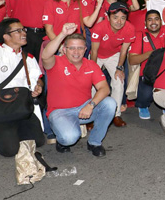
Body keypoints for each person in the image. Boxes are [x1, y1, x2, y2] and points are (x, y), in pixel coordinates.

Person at [0, 0, 45, 156]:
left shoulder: (29, 58)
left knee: (39, 141)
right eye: (18, 30)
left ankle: (13, 132)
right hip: (0, 108)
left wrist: (38, 86)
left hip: (21, 107)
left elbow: (38, 78)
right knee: (10, 150)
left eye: (23, 29)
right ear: (6, 36)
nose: (24, 33)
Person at [42, 24, 116, 156]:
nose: (76, 52)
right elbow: (46, 55)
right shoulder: (56, 62)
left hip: (84, 109)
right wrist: (62, 34)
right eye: (72, 48)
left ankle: (94, 142)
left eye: (80, 48)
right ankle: (62, 137)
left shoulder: (91, 65)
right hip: (60, 112)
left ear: (85, 49)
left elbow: (104, 88)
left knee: (110, 103)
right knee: (69, 138)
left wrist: (91, 105)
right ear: (64, 49)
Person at [90, 2, 136, 127]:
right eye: (115, 17)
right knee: (91, 84)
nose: (119, 21)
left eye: (123, 18)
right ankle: (90, 115)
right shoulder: (99, 27)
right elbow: (94, 51)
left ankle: (115, 115)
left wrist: (120, 67)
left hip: (113, 54)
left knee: (118, 81)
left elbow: (124, 50)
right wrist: (92, 71)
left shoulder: (130, 28)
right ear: (108, 16)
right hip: (97, 55)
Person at [128, 10, 165, 120]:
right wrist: (150, 54)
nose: (153, 22)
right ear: (145, 23)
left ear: (161, 21)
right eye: (149, 20)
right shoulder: (140, 35)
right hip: (146, 75)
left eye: (156, 19)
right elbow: (132, 60)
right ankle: (142, 105)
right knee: (146, 94)